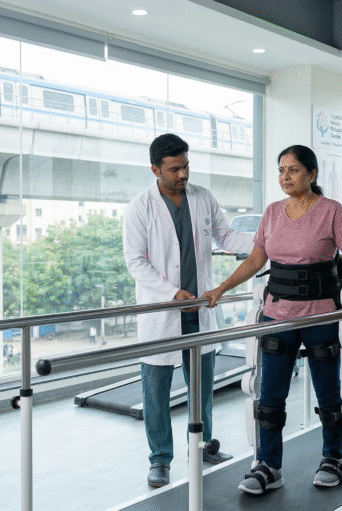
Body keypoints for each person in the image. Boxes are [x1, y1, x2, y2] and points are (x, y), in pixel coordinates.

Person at [203, 144, 342, 494]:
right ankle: (268, 466)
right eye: (281, 170)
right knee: (270, 396)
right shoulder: (273, 212)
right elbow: (255, 260)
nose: (285, 176)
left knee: (328, 395)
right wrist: (221, 287)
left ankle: (333, 458)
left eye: (293, 170)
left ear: (312, 174)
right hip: (277, 316)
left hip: (321, 315)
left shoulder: (330, 211)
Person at [123, 133, 253, 488]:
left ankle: (204, 445)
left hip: (199, 309)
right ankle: (160, 459)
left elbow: (226, 237)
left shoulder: (202, 197)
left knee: (202, 387)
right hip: (162, 313)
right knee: (156, 392)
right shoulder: (140, 207)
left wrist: (265, 242)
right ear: (155, 169)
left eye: (186, 166)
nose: (183, 175)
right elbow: (135, 262)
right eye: (174, 169)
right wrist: (171, 292)